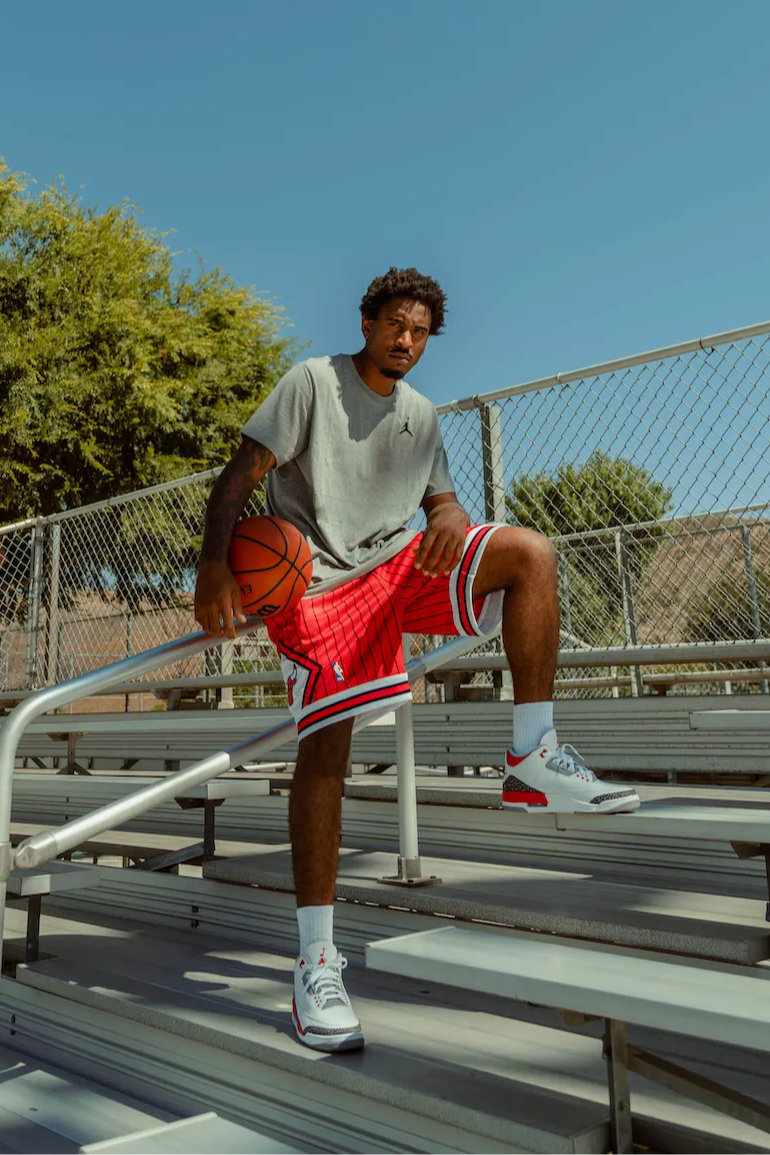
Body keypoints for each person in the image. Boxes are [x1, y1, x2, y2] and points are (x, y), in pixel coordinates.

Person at [194, 267, 640, 1053]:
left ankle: (531, 753)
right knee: (327, 740)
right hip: (319, 584)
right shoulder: (311, 383)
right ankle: (317, 960)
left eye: (420, 331)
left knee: (530, 553)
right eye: (395, 324)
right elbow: (239, 477)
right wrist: (214, 566)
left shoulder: (424, 415)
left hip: (401, 570)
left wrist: (453, 510)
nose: (407, 340)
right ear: (365, 322)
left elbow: (439, 504)